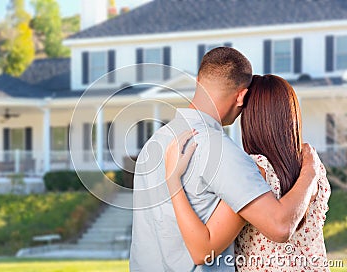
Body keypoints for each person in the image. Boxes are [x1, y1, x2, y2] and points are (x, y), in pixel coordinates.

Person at [129, 47, 320, 272]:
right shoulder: (221, 152)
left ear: (198, 81)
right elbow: (279, 226)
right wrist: (311, 172)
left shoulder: (154, 144)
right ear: (241, 96)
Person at [164, 75, 330, 271]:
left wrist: (173, 180)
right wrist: (309, 171)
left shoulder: (254, 170)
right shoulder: (312, 165)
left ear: (250, 119)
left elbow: (203, 251)